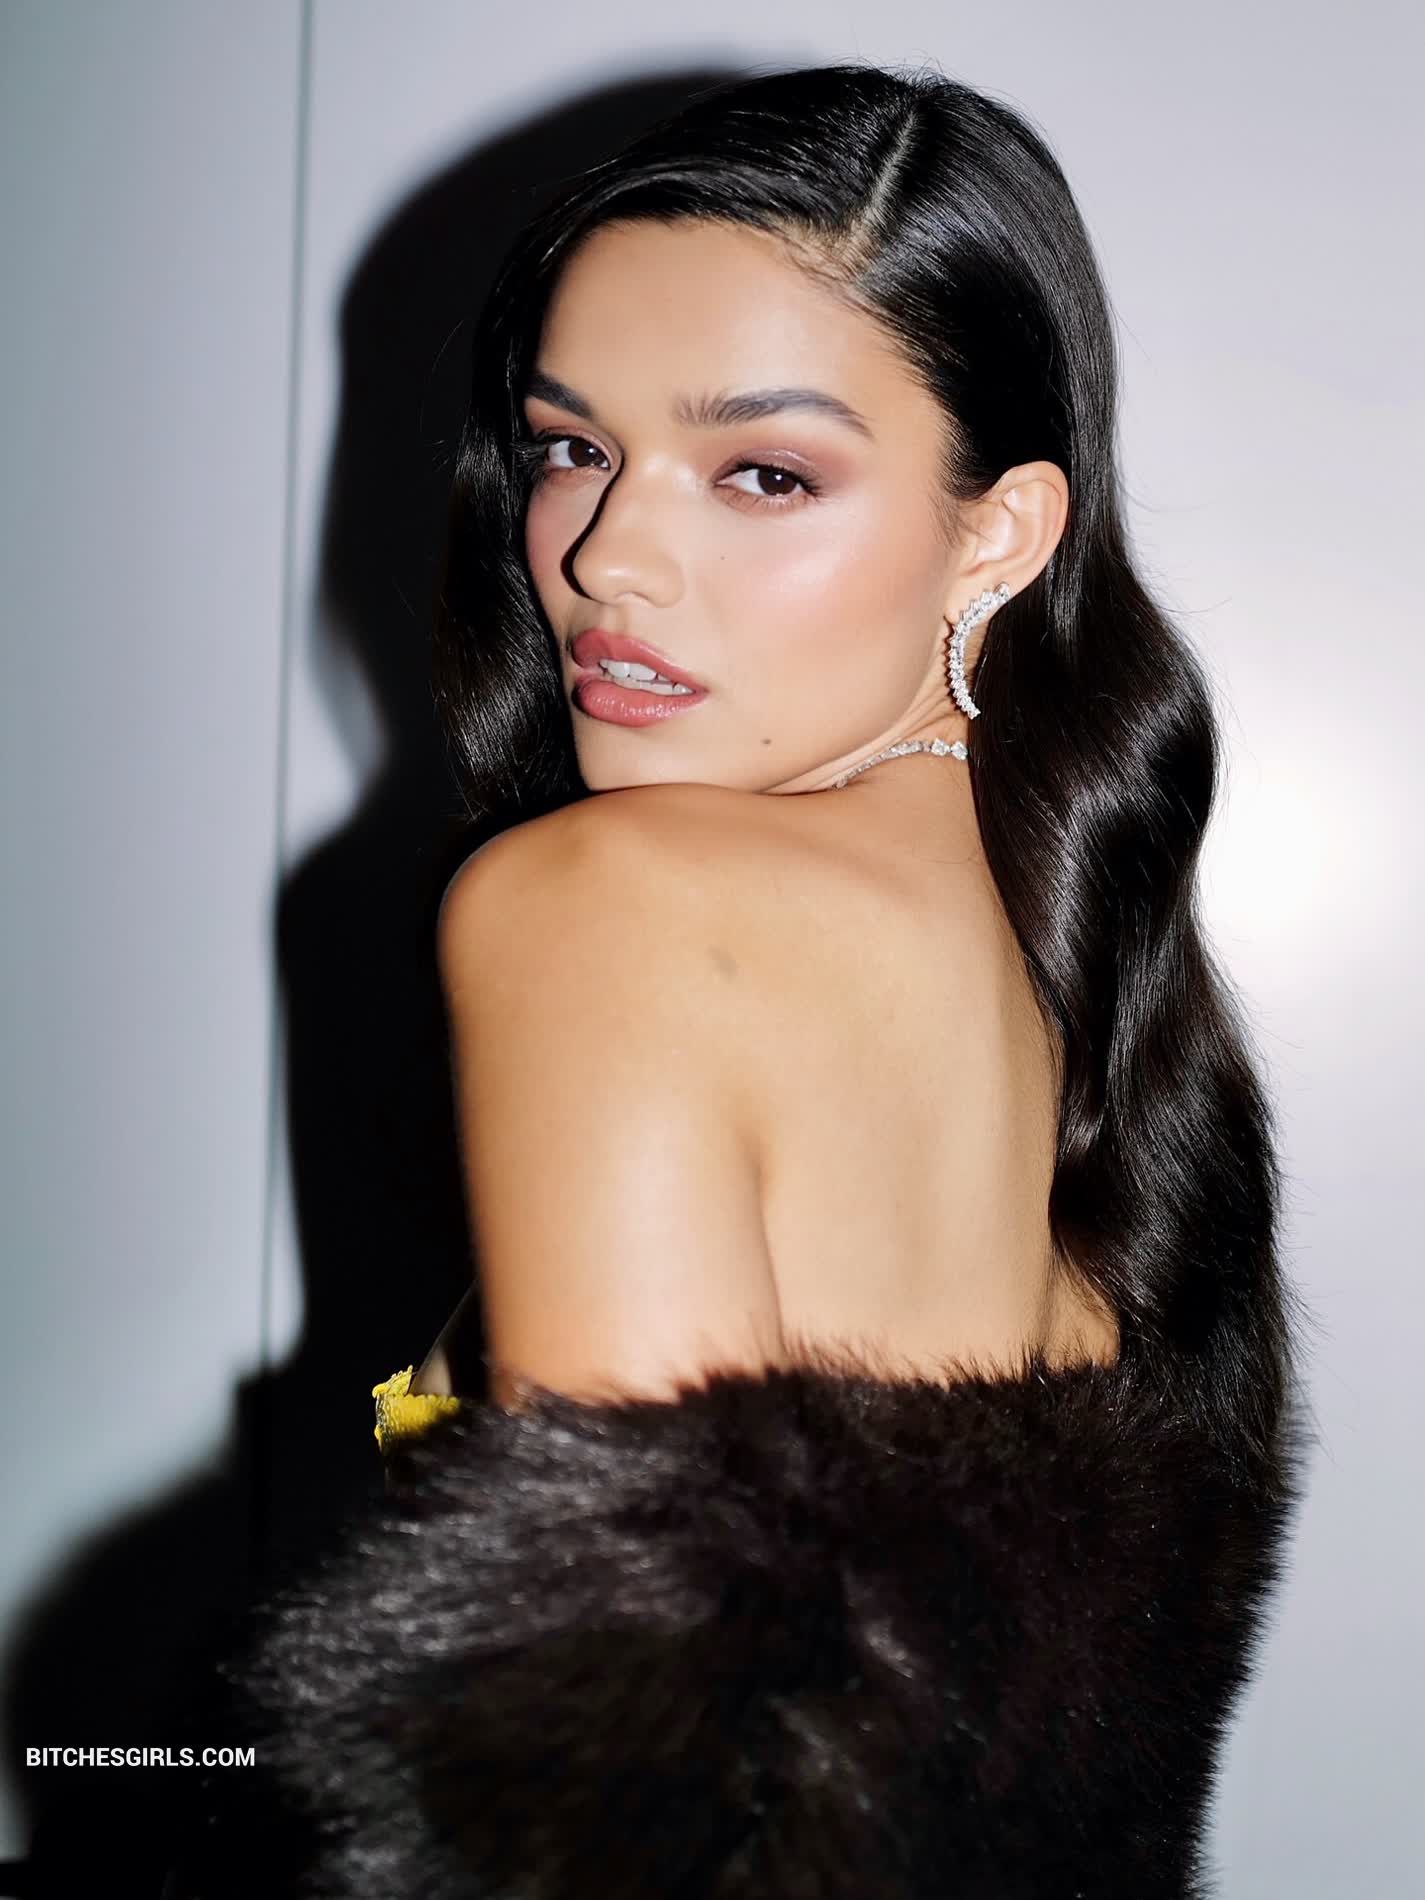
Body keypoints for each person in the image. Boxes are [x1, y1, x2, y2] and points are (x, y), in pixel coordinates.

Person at [171, 62, 1311, 1899]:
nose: (606, 556)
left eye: (763, 474)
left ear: (996, 533)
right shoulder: (1095, 998)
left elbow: (609, 1819)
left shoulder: (609, 907)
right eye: (568, 447)